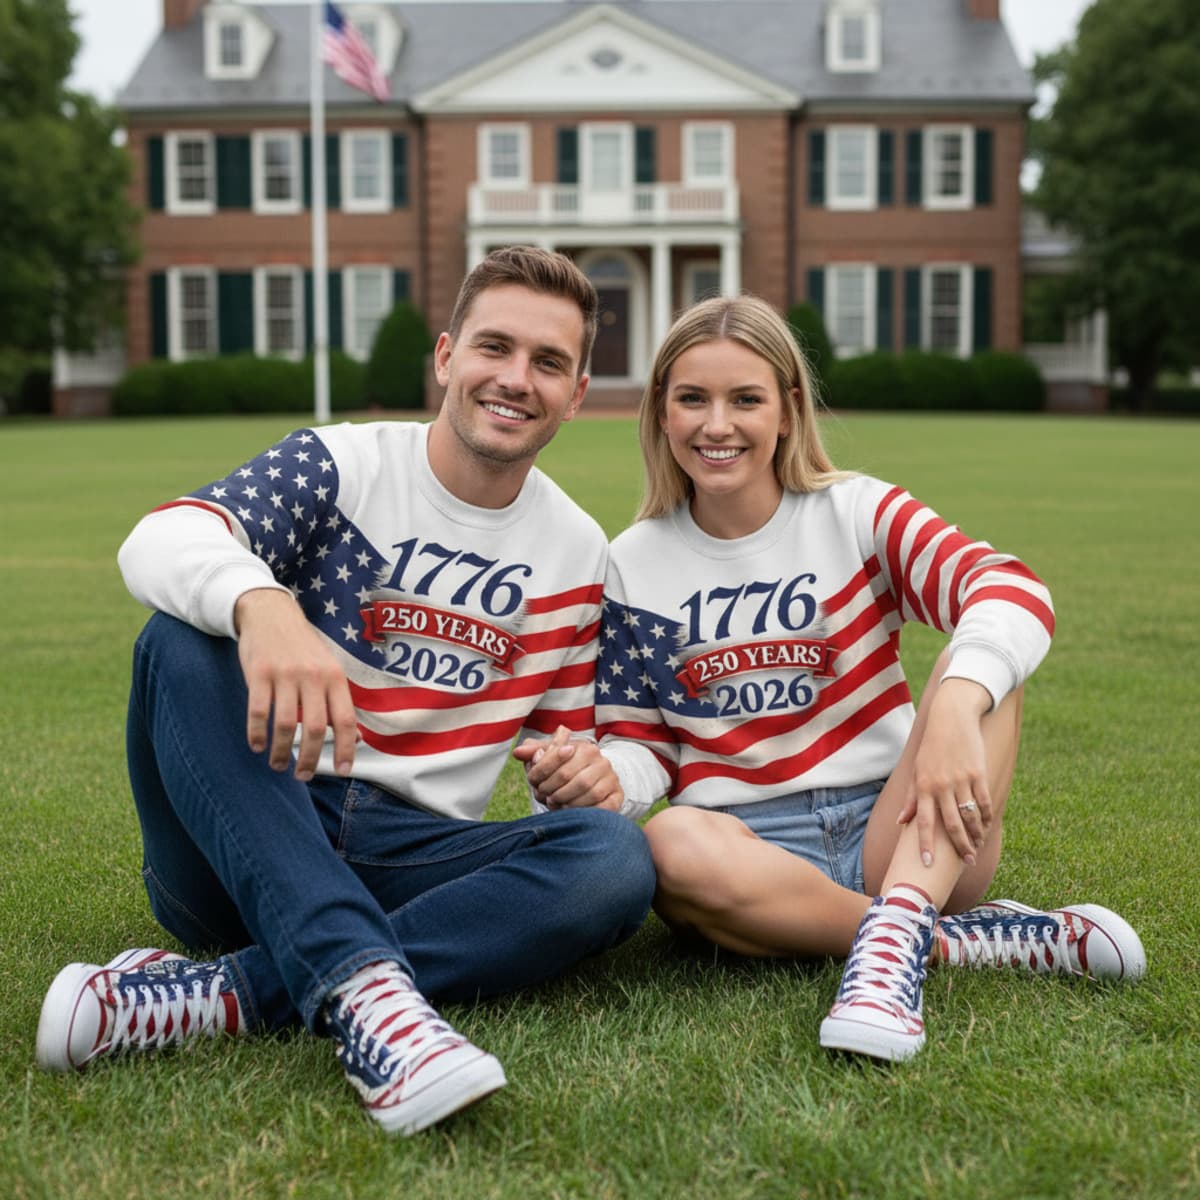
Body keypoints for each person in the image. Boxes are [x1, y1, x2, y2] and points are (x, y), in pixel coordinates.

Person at [35, 246, 656, 1133]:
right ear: (446, 357)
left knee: (612, 859)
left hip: (410, 857)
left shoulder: (576, 549)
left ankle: (229, 993)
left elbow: (584, 744)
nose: (516, 379)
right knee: (183, 633)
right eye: (495, 348)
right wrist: (263, 604)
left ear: (577, 392)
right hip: (248, 830)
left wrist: (592, 772)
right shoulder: (338, 464)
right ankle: (372, 1003)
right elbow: (162, 539)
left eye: (548, 362)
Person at [523, 294, 1145, 1063]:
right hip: (750, 856)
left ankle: (900, 929)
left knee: (984, 666)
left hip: (909, 832)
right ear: (661, 412)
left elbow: (1011, 588)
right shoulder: (632, 563)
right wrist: (600, 777)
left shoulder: (854, 512)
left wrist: (952, 703)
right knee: (673, 843)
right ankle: (935, 943)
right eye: (693, 399)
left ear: (787, 409)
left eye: (744, 399)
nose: (717, 425)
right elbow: (643, 744)